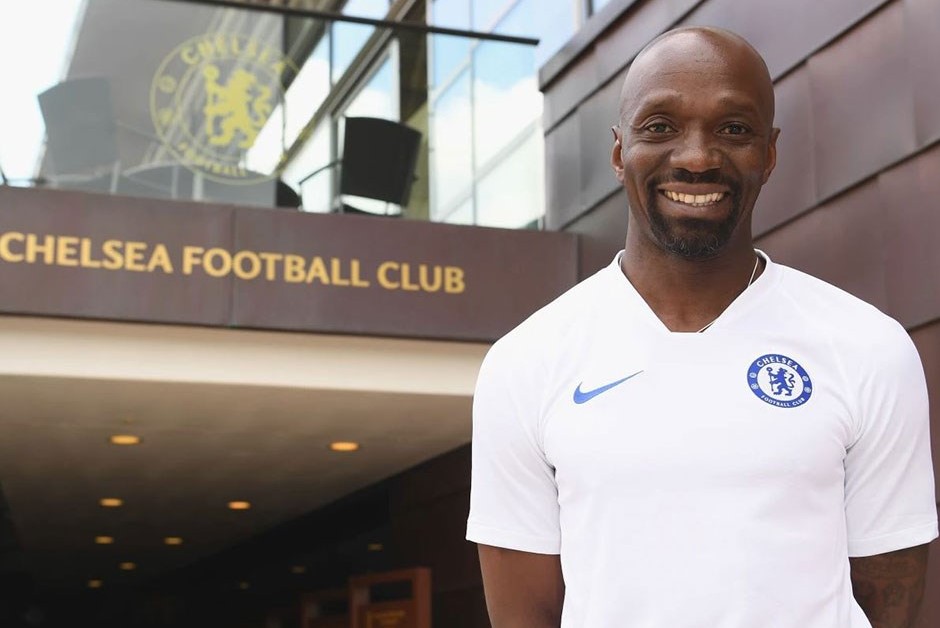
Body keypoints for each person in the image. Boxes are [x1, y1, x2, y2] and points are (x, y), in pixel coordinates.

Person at [466, 26, 937, 628]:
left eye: (734, 129)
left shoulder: (869, 347)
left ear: (769, 154)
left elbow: (889, 602)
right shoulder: (525, 363)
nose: (696, 158)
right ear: (619, 152)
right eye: (660, 126)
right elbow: (525, 614)